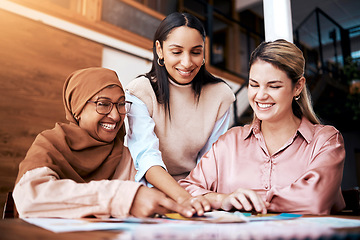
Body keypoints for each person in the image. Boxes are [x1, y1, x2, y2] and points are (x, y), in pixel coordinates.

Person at [179, 39, 346, 215]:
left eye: (273, 86)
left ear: (298, 87)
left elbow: (314, 201)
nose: (260, 95)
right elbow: (185, 190)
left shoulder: (326, 141)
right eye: (254, 85)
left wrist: (249, 201)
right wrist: (223, 199)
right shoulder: (230, 141)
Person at [13, 67, 193, 219]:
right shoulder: (51, 144)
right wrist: (119, 196)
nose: (115, 116)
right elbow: (28, 197)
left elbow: (155, 200)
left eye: (121, 104)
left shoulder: (125, 156)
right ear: (78, 108)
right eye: (103, 104)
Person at [125, 12, 235, 215]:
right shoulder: (140, 91)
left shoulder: (220, 95)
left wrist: (196, 196)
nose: (186, 63)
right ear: (160, 49)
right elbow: (146, 157)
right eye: (176, 52)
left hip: (195, 190)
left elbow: (210, 161)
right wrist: (183, 198)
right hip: (148, 190)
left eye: (196, 52)